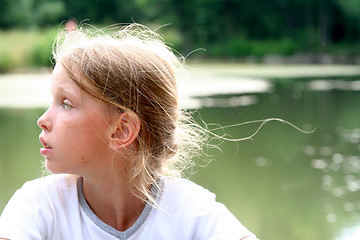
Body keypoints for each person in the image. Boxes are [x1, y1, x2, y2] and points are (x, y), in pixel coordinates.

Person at [0, 23, 259, 240]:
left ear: (122, 130)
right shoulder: (41, 204)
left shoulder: (190, 209)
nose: (43, 120)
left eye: (66, 104)